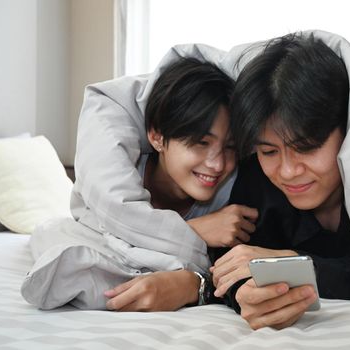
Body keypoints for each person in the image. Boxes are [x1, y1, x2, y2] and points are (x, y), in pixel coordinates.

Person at [22, 57, 258, 311]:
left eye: (230, 147)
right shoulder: (121, 174)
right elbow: (100, 228)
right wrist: (194, 231)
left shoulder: (233, 196)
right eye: (201, 142)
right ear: (157, 136)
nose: (217, 164)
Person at [209, 34, 350, 330]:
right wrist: (242, 293)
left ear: (347, 131)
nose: (287, 171)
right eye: (269, 151)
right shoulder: (255, 180)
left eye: (307, 147)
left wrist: (290, 263)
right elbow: (228, 262)